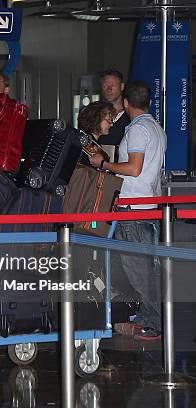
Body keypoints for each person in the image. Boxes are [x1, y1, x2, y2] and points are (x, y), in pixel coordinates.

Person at [89, 81, 166, 341]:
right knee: (139, 267)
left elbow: (134, 168)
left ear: (125, 103)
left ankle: (151, 322)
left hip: (132, 206)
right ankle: (141, 317)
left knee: (138, 270)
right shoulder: (156, 128)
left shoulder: (137, 131)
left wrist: (105, 163)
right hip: (147, 206)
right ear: (150, 103)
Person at [98, 69, 131, 146]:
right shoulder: (96, 115)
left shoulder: (130, 115)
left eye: (112, 86)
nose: (109, 89)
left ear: (122, 86)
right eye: (105, 86)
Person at [77, 101, 114, 166]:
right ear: (97, 119)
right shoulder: (88, 144)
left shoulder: (88, 140)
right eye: (109, 120)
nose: (111, 125)